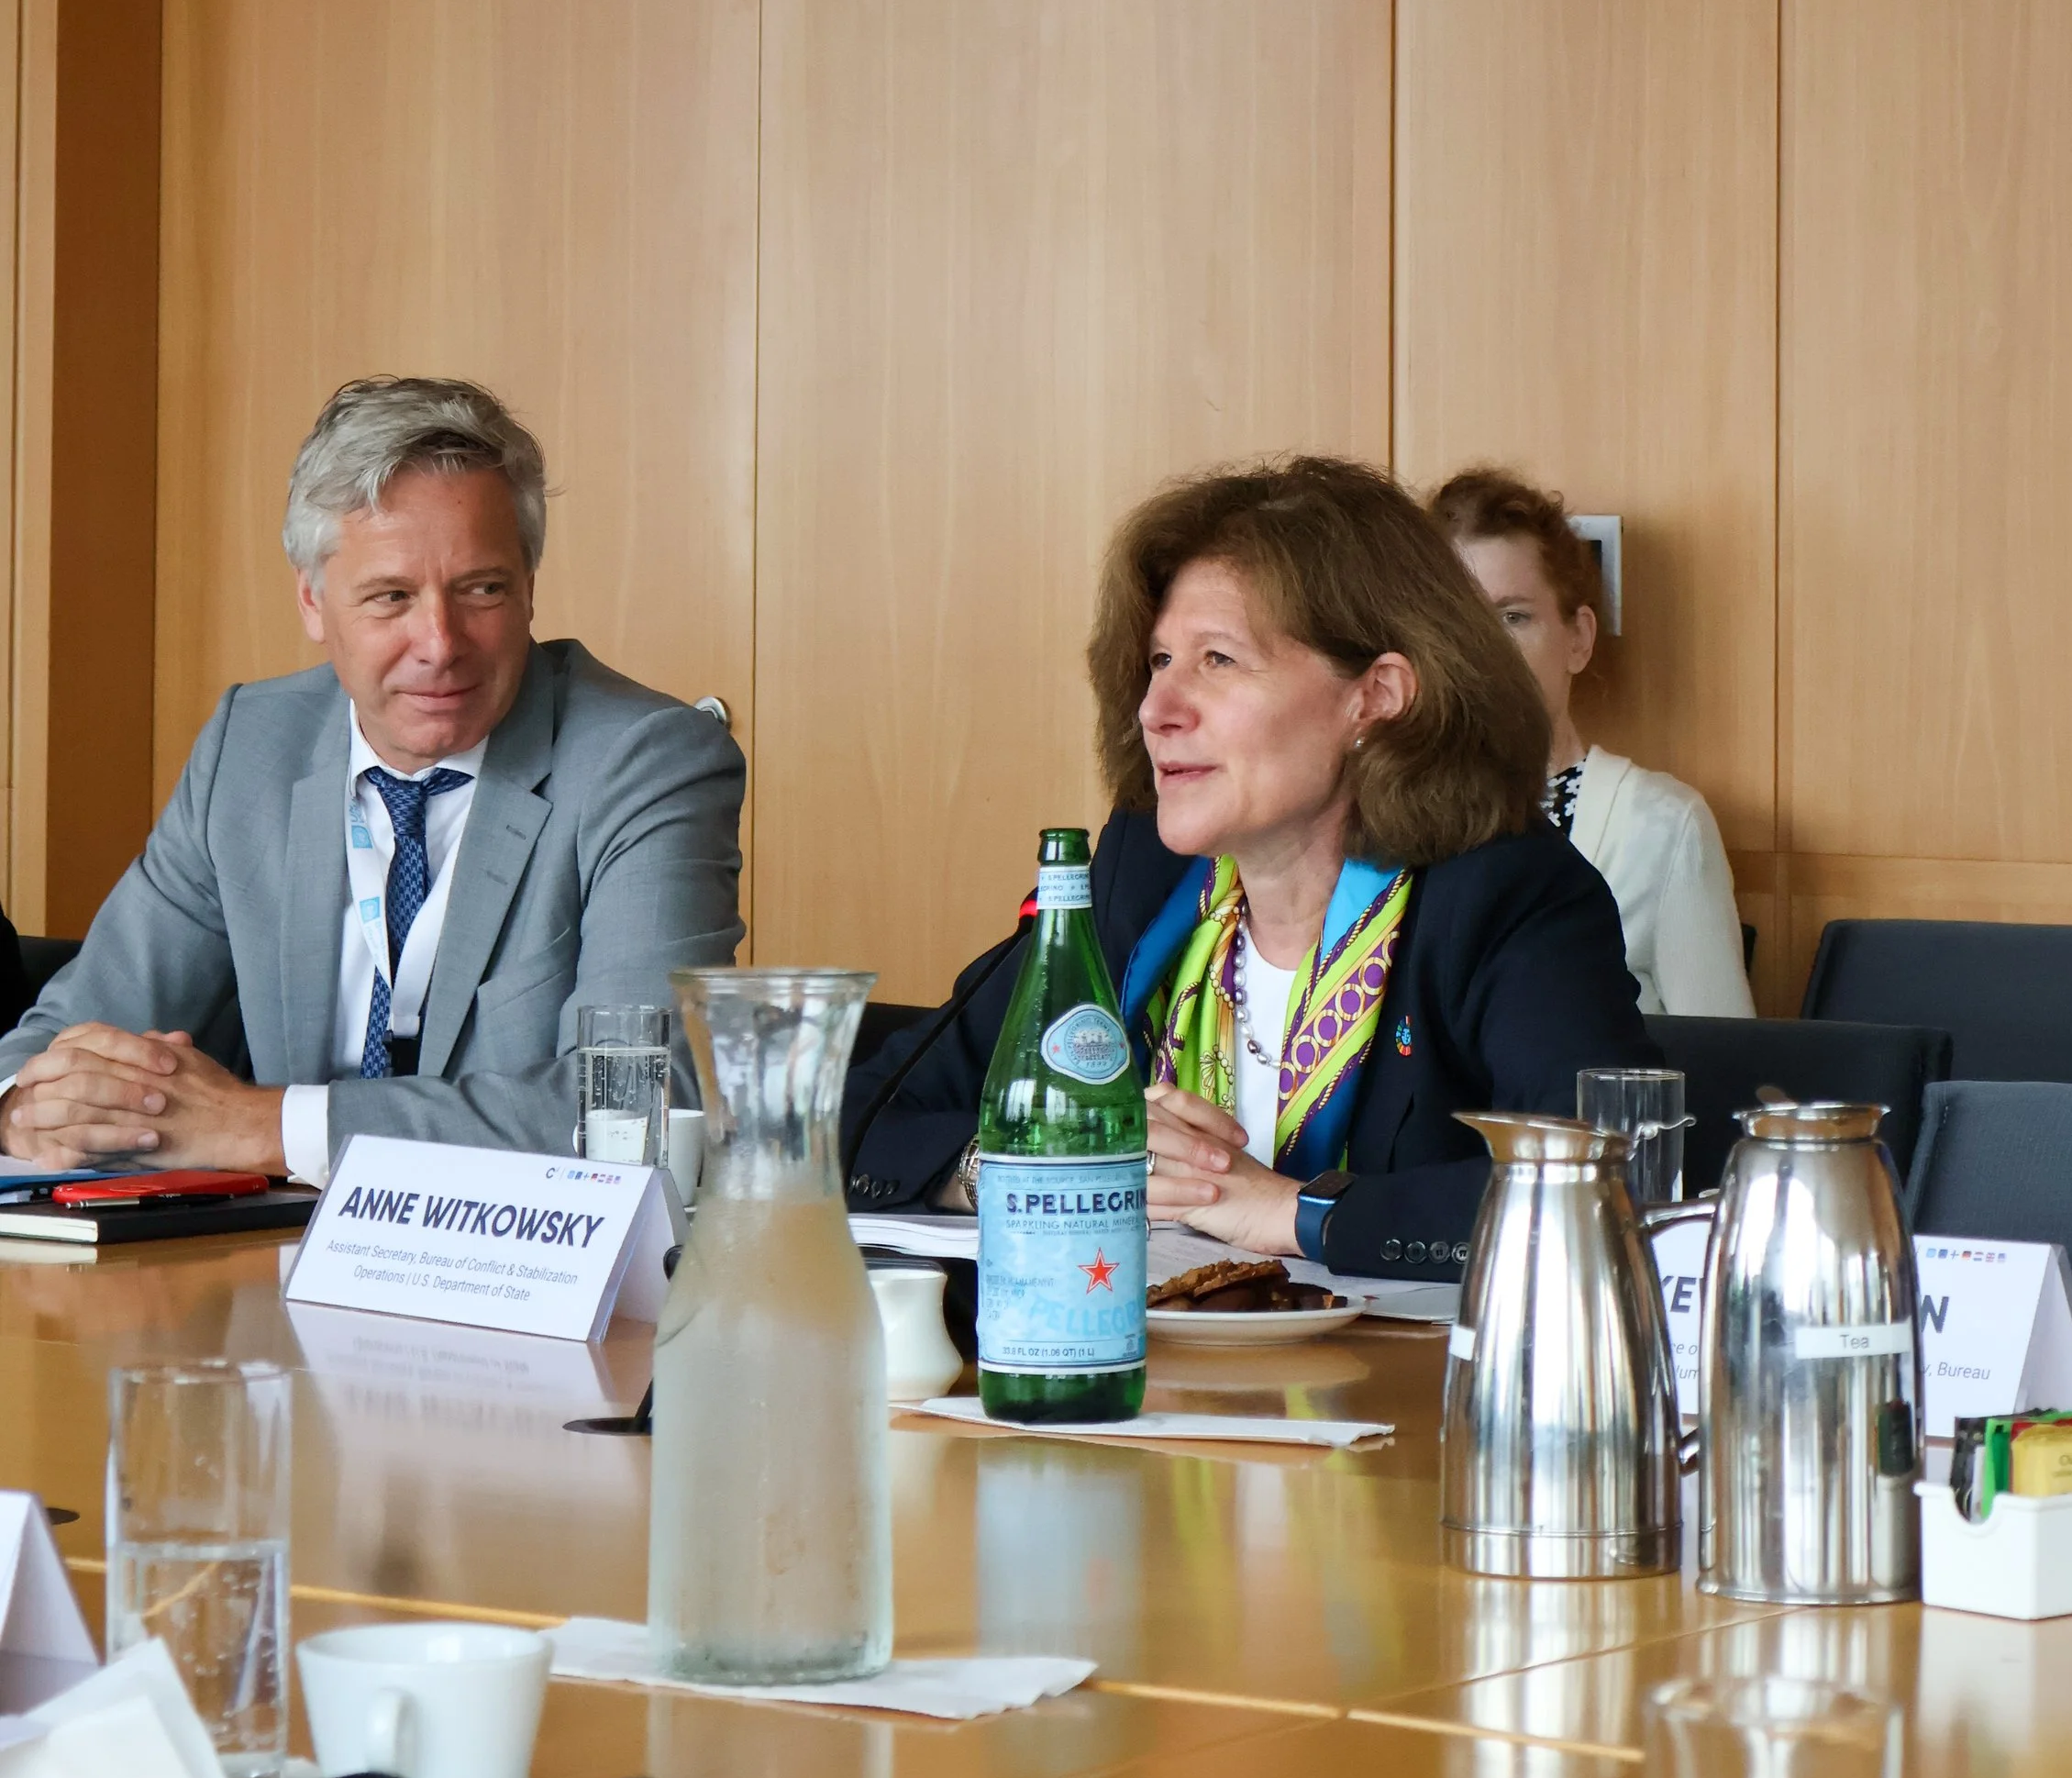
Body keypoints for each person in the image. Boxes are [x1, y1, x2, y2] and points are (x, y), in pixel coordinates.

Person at [844, 455, 1646, 1275]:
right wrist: (1027, 1164)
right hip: (1134, 1367)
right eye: (1158, 663)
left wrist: (1297, 1212)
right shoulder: (1142, 877)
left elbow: (1601, 1190)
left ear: (1376, 696)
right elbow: (857, 1116)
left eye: (1217, 661)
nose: (1157, 711)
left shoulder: (1507, 896)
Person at [0, 377, 745, 1175]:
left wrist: (263, 1128)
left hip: (518, 1276)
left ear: (529, 588)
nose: (440, 643)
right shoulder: (252, 746)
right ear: (314, 603)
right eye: (390, 598)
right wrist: (25, 1110)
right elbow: (73, 1028)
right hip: (261, 1264)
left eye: (482, 590)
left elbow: (634, 1112)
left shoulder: (645, 760)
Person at [1427, 465, 1754, 1017]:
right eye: (1455, 621)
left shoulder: (1662, 826)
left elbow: (1724, 1068)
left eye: (1512, 617)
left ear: (1577, 638)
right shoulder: (1378, 824)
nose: (1483, 652)